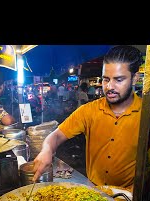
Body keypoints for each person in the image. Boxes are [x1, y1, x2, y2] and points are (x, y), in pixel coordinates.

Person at [32, 45, 143, 190]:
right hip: (95, 192)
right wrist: (46, 149)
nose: (109, 86)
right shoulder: (89, 110)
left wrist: (139, 188)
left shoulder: (147, 115)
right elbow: (57, 136)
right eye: (105, 79)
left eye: (119, 80)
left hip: (130, 196)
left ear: (134, 79)